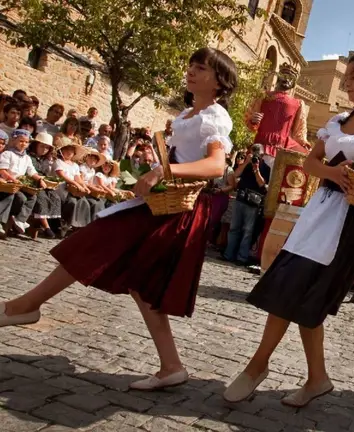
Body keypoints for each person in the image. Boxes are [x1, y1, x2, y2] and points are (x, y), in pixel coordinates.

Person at [0, 47, 238, 391]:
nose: (191, 71)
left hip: (176, 209)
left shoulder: (215, 116)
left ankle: (24, 306)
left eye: (201, 68)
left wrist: (160, 172)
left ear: (218, 81)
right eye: (191, 65)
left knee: (101, 244)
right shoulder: (189, 113)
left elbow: (217, 166)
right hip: (160, 205)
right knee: (130, 271)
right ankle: (171, 366)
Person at [223, 51, 354, 406]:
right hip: (319, 213)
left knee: (297, 288)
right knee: (296, 288)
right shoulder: (336, 122)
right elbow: (312, 162)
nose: (346, 81)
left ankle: (257, 366)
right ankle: (317, 378)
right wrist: (334, 173)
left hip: (353, 222)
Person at [244, 62, 312, 168]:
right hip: (260, 144)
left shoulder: (298, 103)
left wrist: (304, 143)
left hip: (281, 149)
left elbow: (299, 130)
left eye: (291, 78)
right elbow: (250, 118)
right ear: (279, 77)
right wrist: (253, 120)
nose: (287, 80)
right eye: (284, 76)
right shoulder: (264, 96)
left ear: (294, 83)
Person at [223, 144, 269, 265]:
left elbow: (262, 184)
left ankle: (241, 257)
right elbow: (235, 174)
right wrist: (245, 163)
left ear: (263, 155)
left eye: (257, 154)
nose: (255, 156)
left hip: (253, 203)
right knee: (234, 228)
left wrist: (256, 169)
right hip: (240, 198)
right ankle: (228, 255)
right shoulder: (246, 165)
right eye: (253, 153)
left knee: (247, 231)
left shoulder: (266, 168)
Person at [0, 129, 46, 238]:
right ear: (14, 140)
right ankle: (5, 220)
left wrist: (40, 179)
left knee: (32, 197)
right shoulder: (8, 154)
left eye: (26, 142)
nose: (23, 144)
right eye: (21, 141)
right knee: (20, 198)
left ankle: (20, 220)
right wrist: (12, 179)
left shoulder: (26, 158)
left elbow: (31, 171)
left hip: (20, 184)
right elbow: (2, 170)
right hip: (9, 183)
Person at [27, 132, 61, 239]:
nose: (44, 149)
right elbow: (29, 172)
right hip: (31, 181)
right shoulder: (29, 157)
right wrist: (39, 180)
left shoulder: (45, 160)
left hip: (43, 182)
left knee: (54, 196)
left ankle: (40, 223)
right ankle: (46, 227)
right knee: (41, 196)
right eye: (42, 146)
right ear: (36, 145)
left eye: (47, 148)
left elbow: (46, 174)